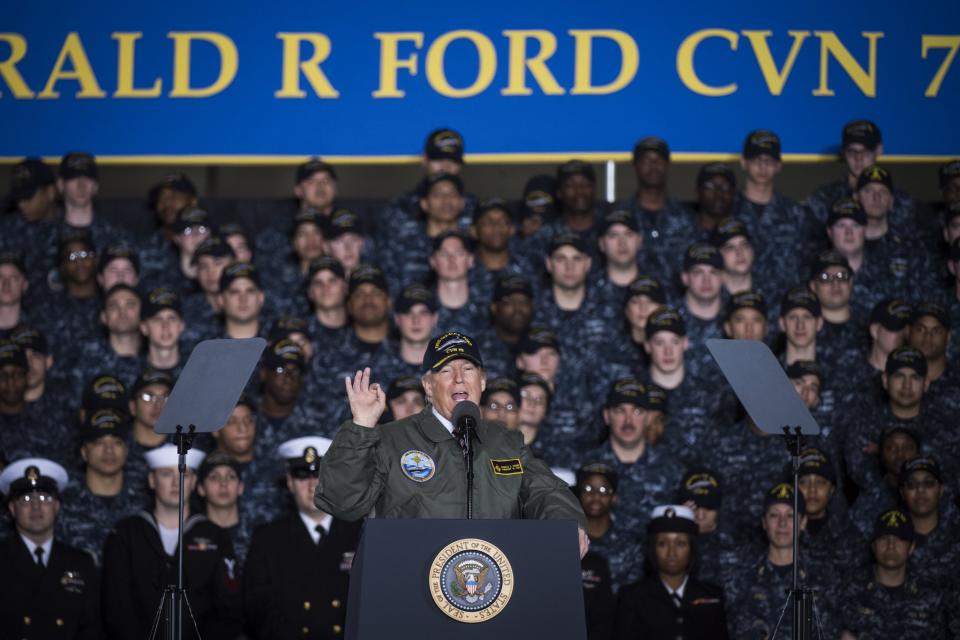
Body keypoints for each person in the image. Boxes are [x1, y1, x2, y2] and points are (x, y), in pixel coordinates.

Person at [314, 330, 589, 557]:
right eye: (446, 370)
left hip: (492, 596)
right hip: (409, 593)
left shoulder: (505, 442)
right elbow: (342, 502)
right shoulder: (392, 439)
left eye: (468, 369)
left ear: (481, 381)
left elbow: (546, 493)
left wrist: (567, 526)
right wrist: (361, 426)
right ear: (428, 386)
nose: (459, 377)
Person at [100, 444, 241, 640]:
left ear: (193, 482)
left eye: (184, 474)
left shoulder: (215, 536)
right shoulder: (126, 534)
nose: (177, 482)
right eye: (166, 474)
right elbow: (115, 607)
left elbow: (229, 607)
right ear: (151, 480)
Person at [244, 436, 362, 640]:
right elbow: (256, 610)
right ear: (289, 482)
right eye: (302, 476)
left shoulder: (360, 534)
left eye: (319, 475)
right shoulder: (268, 539)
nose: (312, 485)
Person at [0, 458, 101, 639]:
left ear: (57, 506)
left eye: (45, 498)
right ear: (12, 508)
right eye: (26, 498)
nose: (36, 507)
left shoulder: (81, 563)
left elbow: (92, 629)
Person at [614, 505, 728, 640]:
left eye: (680, 543)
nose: (671, 553)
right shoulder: (632, 597)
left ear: (691, 548)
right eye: (662, 544)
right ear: (652, 549)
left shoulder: (712, 596)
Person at [840, 508, 951, 639]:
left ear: (911, 547)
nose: (891, 545)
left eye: (900, 538)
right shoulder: (850, 591)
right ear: (873, 546)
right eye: (883, 538)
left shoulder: (930, 594)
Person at [576, 462, 641, 593]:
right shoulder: (564, 537)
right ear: (578, 494)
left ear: (614, 498)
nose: (595, 497)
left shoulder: (629, 543)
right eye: (588, 489)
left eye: (604, 490)